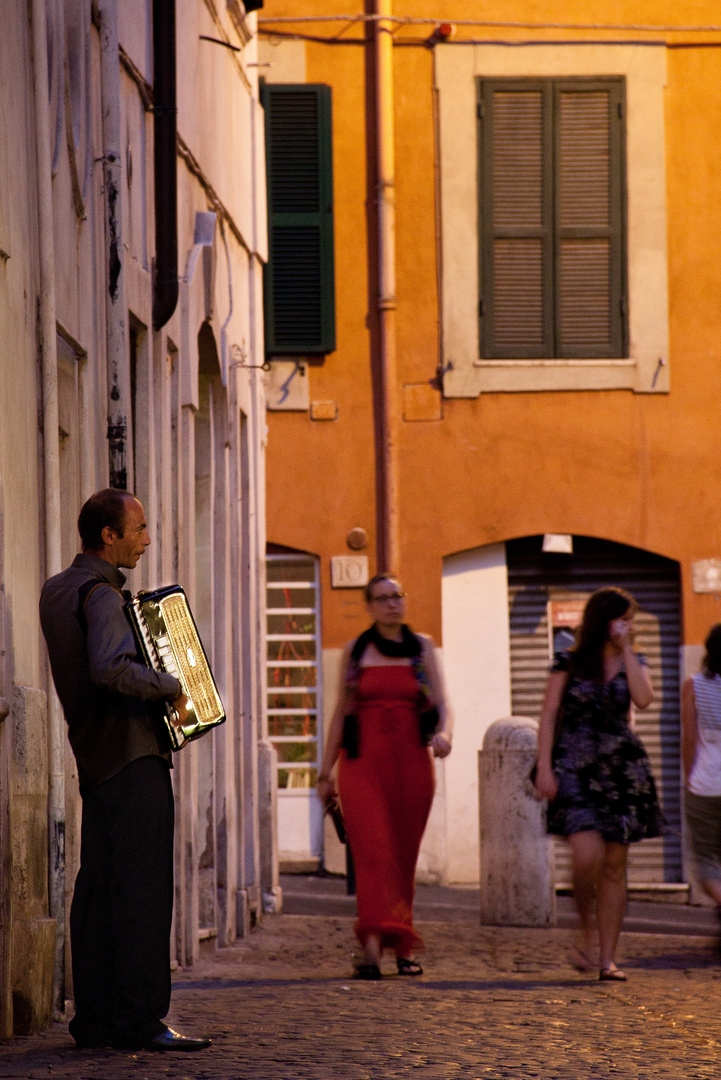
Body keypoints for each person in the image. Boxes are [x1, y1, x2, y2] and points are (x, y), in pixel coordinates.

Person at [39, 488, 211, 1052]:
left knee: (97, 894)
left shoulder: (56, 589)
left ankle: (96, 1018)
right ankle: (141, 1021)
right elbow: (111, 667)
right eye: (138, 529)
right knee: (141, 894)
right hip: (133, 758)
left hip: (94, 758)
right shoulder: (103, 596)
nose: (147, 539)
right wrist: (171, 682)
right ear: (108, 536)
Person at [318, 573, 452, 979]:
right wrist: (325, 772)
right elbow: (342, 710)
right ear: (370, 606)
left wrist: (445, 733)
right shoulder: (356, 651)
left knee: (402, 857)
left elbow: (442, 703)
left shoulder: (422, 648)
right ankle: (372, 946)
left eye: (398, 595)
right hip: (362, 764)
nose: (393, 603)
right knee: (373, 852)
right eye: (383, 598)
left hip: (411, 762)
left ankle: (402, 943)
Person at [533, 586, 664, 982]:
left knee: (613, 865)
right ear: (601, 620)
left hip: (622, 770)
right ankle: (585, 929)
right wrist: (543, 768)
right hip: (573, 765)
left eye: (630, 620)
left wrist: (626, 652)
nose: (626, 625)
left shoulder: (635, 661)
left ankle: (607, 958)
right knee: (587, 853)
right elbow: (549, 715)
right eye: (619, 618)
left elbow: (643, 700)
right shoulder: (568, 661)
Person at [682, 624, 721, 922]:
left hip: (705, 783)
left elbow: (689, 739)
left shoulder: (694, 686)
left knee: (706, 859)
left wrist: (687, 777)